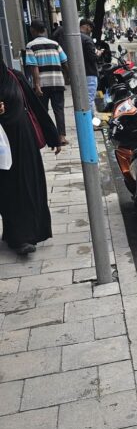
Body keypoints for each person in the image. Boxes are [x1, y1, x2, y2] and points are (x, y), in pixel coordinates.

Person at [0, 54, 60, 255]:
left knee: (27, 188)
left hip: (23, 144)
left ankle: (24, 236)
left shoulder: (14, 77)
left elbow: (35, 106)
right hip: (2, 150)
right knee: (7, 191)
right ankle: (14, 234)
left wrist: (54, 136)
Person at [24, 20, 69, 145]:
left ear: (33, 30)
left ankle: (46, 136)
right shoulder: (55, 44)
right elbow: (65, 62)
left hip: (42, 85)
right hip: (57, 82)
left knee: (43, 111)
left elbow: (34, 66)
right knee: (59, 110)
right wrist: (65, 78)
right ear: (44, 30)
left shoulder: (30, 45)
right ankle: (61, 137)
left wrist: (37, 85)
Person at [79, 20, 100, 117]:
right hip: (90, 73)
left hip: (80, 73)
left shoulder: (75, 38)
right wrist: (98, 54)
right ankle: (91, 122)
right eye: (90, 27)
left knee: (84, 99)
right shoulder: (87, 39)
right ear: (86, 26)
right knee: (89, 99)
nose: (91, 30)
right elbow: (93, 58)